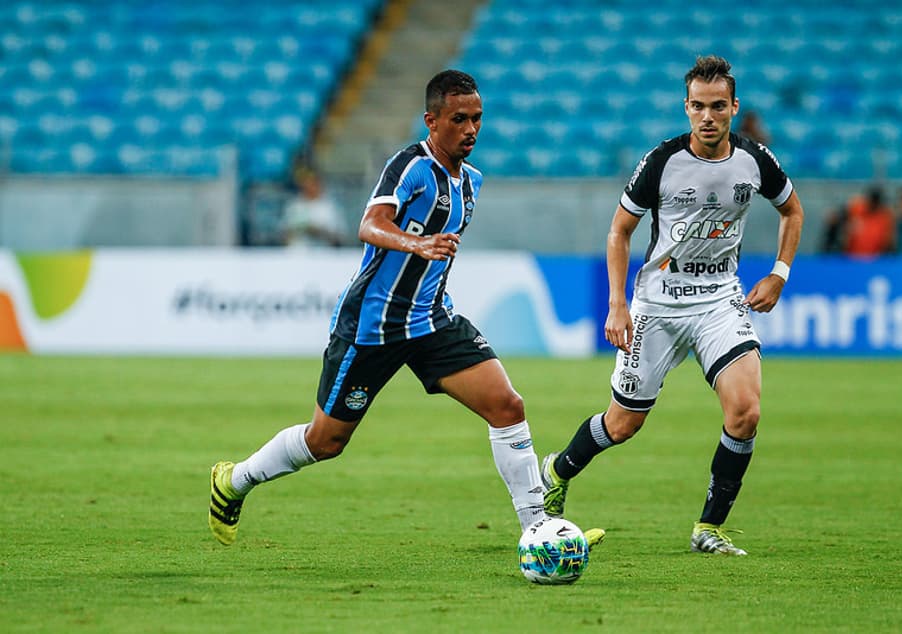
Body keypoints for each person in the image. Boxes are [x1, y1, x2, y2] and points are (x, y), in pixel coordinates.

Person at [208, 70, 604, 548]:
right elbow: (370, 224)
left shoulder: (472, 181)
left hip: (432, 320)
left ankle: (537, 529)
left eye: (477, 119)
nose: (471, 129)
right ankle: (235, 481)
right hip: (372, 327)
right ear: (431, 121)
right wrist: (414, 244)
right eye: (459, 119)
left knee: (507, 405)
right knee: (326, 440)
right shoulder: (410, 165)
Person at [540, 55, 804, 556]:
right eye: (699, 106)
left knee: (745, 411)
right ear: (686, 108)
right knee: (623, 424)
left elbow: (792, 209)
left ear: (734, 108)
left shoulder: (755, 160)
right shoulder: (661, 162)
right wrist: (618, 304)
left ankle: (709, 527)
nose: (708, 116)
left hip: (720, 302)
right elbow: (620, 230)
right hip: (656, 307)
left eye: (718, 106)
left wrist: (779, 272)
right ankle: (557, 469)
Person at [282, 162, 347, 247]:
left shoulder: (330, 207)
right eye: (306, 183)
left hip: (325, 256)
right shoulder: (294, 206)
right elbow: (283, 235)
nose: (309, 186)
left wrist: (319, 232)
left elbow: (340, 238)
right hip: (297, 256)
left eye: (312, 183)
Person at [843, 185, 894, 256]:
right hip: (853, 258)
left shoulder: (885, 216)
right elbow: (842, 218)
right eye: (872, 201)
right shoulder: (857, 210)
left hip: (875, 259)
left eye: (876, 202)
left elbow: (888, 241)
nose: (874, 204)